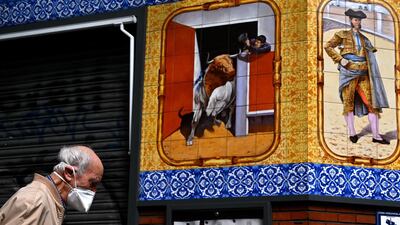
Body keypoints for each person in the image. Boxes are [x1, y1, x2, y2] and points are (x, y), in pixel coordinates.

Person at [324, 9, 390, 144]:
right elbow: (328, 46)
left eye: (359, 20)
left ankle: (376, 136)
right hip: (349, 72)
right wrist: (340, 59)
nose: (357, 22)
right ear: (350, 20)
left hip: (364, 73)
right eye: (355, 19)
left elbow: (370, 54)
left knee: (372, 104)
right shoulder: (341, 34)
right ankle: (352, 133)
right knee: (348, 103)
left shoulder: (365, 39)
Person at [0, 145, 104, 225]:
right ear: (69, 173)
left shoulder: (51, 201)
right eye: (93, 183)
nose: (94, 191)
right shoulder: (34, 201)